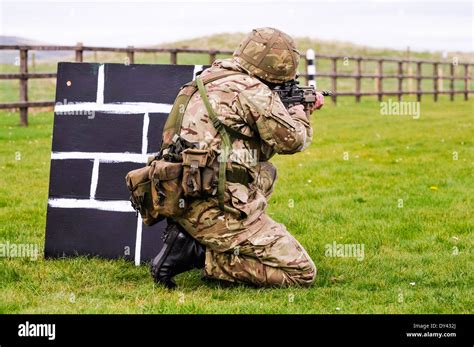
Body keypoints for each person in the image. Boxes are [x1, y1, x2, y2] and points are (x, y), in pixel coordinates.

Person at [151, 27, 324, 288]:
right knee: (301, 273)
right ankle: (203, 254)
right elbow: (294, 141)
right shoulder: (252, 91)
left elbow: (243, 142)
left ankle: (198, 236)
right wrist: (301, 110)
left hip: (178, 195)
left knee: (266, 171)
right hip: (213, 205)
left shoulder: (206, 78)